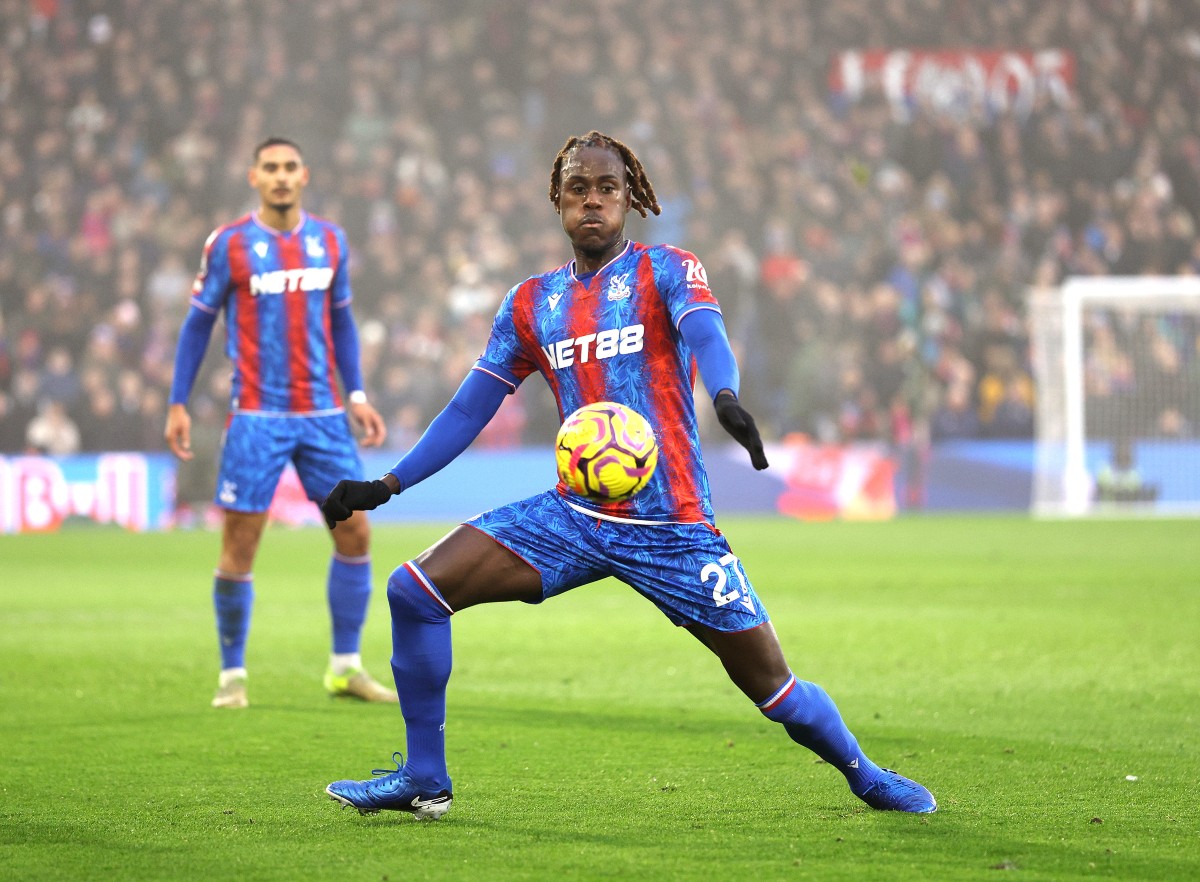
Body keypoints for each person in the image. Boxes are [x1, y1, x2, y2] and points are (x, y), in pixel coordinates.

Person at [320, 131, 936, 818]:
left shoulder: (667, 270)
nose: (592, 200)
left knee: (773, 688)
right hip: (574, 515)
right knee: (414, 592)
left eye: (606, 189)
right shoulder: (530, 303)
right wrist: (390, 484)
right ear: (558, 200)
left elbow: (707, 336)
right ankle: (424, 779)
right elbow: (470, 408)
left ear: (629, 199)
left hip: (671, 524)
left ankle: (864, 773)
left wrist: (726, 395)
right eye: (578, 188)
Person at [165, 137, 396, 709]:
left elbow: (342, 324)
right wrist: (177, 401)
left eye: (290, 167)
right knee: (241, 543)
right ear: (254, 178)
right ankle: (232, 677)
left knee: (356, 533)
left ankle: (345, 668)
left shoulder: (330, 240)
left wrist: (357, 394)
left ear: (304, 174)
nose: (281, 177)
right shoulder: (230, 245)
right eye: (270, 168)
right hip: (257, 417)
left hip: (322, 416)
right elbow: (197, 326)